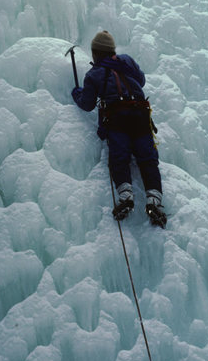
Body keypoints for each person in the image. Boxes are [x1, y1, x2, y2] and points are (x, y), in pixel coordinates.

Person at [71, 30, 166, 227]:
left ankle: (126, 196)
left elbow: (87, 104)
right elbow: (141, 81)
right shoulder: (127, 61)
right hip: (140, 115)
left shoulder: (94, 74)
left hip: (117, 118)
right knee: (147, 158)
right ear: (112, 50)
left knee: (119, 157)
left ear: (96, 53)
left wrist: (76, 93)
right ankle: (154, 202)